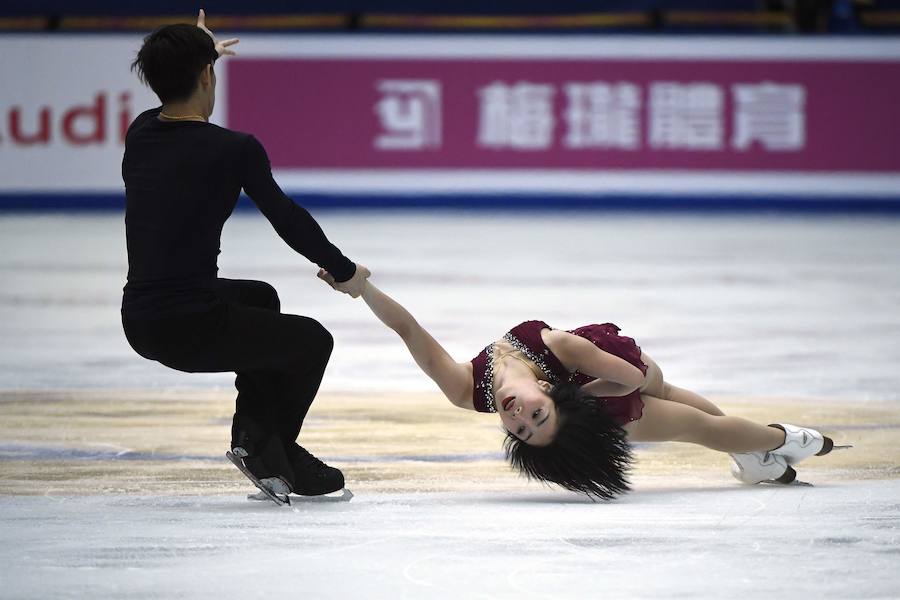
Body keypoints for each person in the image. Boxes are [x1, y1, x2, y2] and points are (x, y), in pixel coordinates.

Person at [121, 11, 369, 497]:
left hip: (141, 318)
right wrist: (344, 271)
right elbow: (286, 217)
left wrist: (200, 50)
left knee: (259, 297)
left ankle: (257, 439)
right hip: (188, 323)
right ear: (208, 75)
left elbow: (178, 85)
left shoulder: (141, 131)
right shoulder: (233, 149)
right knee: (312, 341)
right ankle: (275, 450)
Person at [318, 273, 842, 499]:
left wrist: (363, 289)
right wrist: (591, 400)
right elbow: (634, 387)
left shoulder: (474, 387)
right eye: (531, 422)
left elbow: (636, 377)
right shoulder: (543, 371)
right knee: (697, 425)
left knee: (666, 391)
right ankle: (783, 439)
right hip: (603, 398)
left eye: (521, 427)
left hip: (609, 370)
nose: (515, 415)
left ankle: (757, 452)